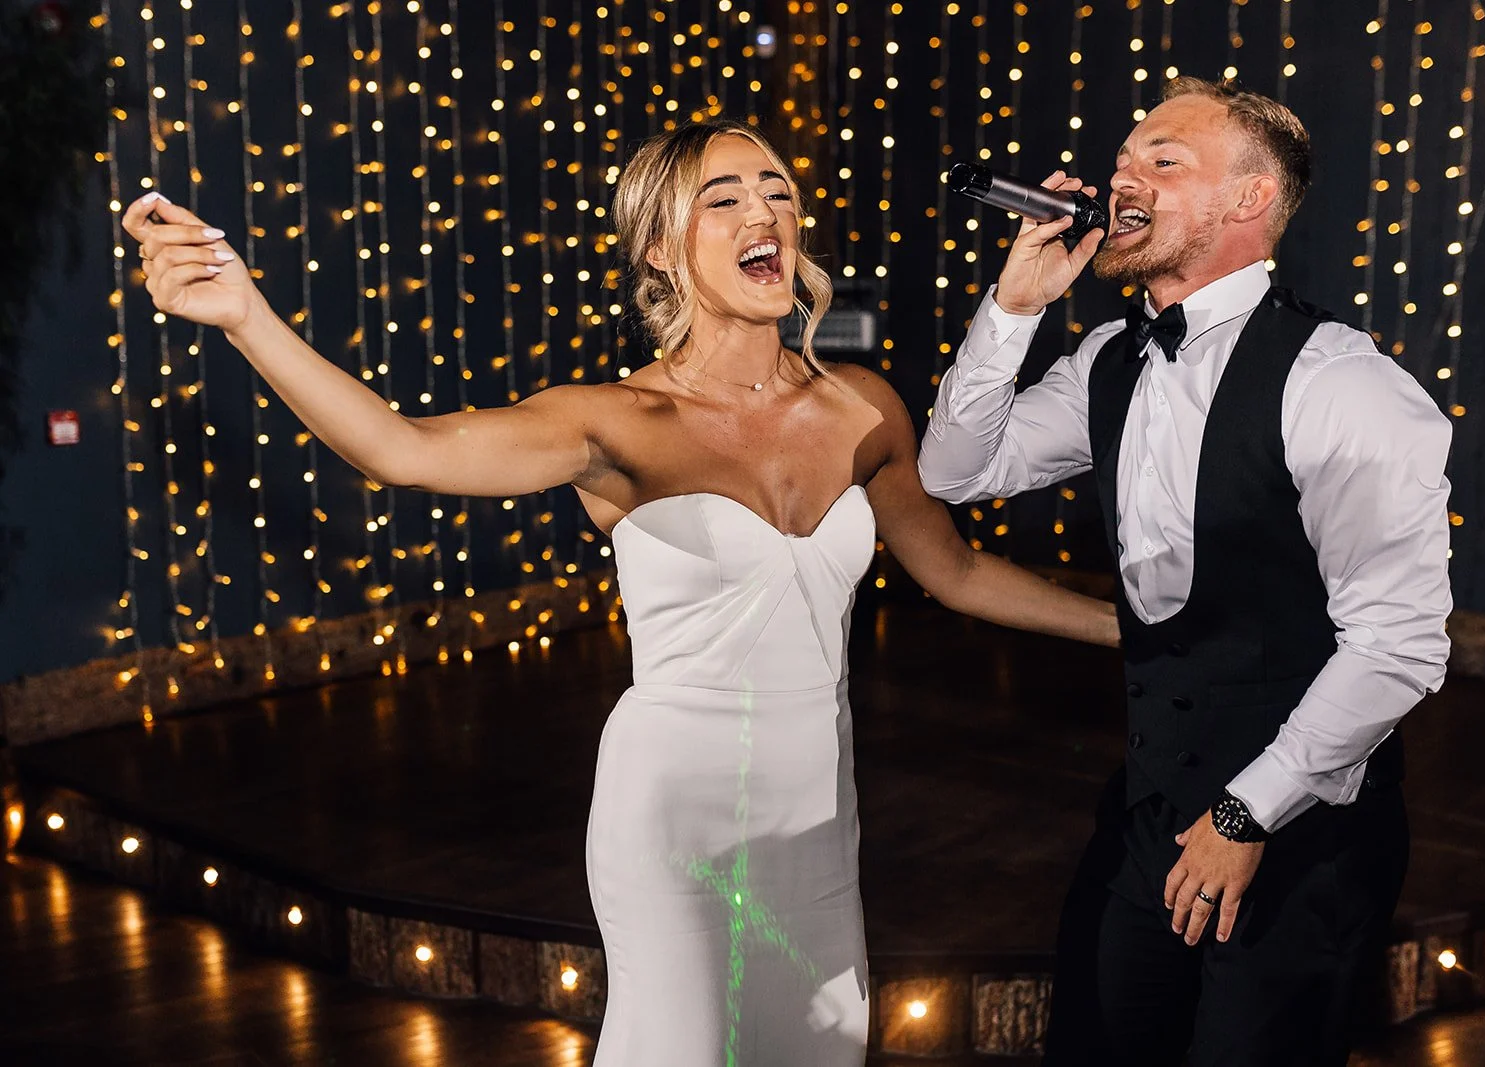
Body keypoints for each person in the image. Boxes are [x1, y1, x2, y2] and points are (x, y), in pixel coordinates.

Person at [123, 118, 1119, 1066]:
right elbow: (401, 448)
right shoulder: (615, 420)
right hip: (674, 810)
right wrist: (245, 316)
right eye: (721, 199)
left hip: (817, 809)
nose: (762, 213)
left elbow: (954, 571)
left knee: (820, 1043)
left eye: (775, 190)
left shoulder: (864, 405)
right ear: (657, 250)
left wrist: (1144, 629)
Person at [918, 78, 1452, 1066]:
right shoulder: (1109, 355)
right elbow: (957, 468)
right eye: (1124, 160)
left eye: (1164, 160)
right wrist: (1011, 306)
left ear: (1248, 201)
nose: (1124, 176)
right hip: (1149, 804)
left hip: (1302, 833)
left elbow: (1399, 642)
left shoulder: (1342, 383)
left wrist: (1248, 810)